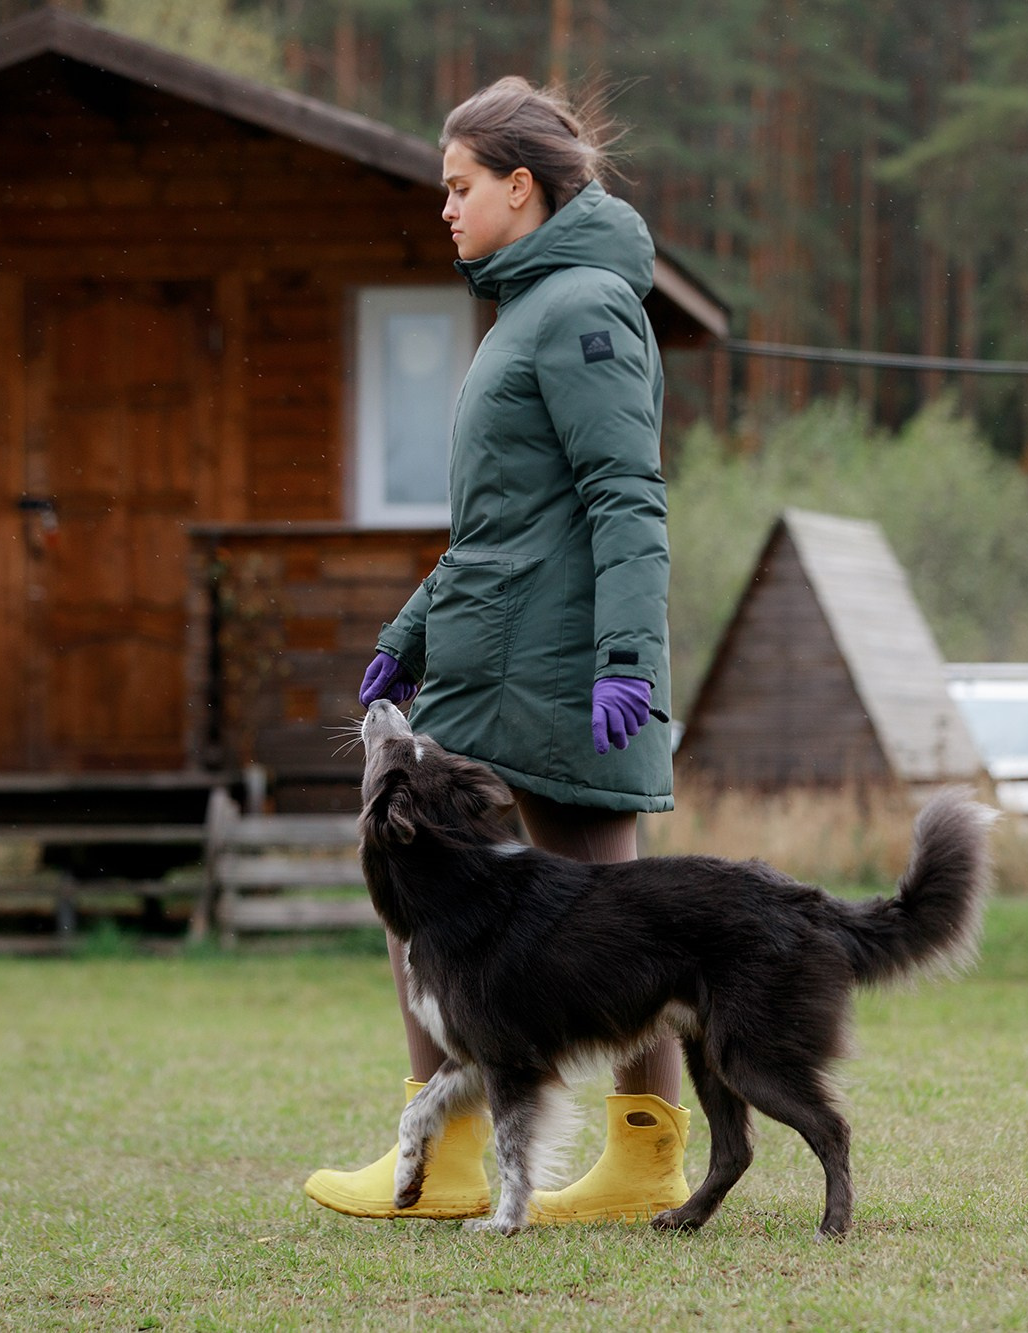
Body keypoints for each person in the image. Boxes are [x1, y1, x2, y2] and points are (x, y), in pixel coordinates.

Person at [302, 76, 685, 1226]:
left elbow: (625, 497)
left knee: (600, 910)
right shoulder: (528, 311)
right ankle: (469, 1153)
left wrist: (627, 658)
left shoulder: (582, 310)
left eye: (460, 185)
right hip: (493, 654)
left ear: (521, 187)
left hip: (554, 664)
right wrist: (408, 635)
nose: (445, 207)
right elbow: (501, 528)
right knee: (509, 895)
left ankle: (629, 1161)